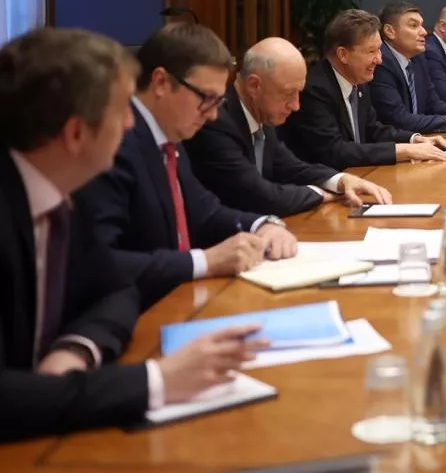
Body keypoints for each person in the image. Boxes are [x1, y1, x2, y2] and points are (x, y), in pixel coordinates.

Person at [0, 27, 266, 441]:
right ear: (76, 134)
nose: (130, 123)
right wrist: (156, 380)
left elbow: (114, 287)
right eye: (121, 110)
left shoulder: (59, 193)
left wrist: (76, 348)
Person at [76, 24, 299, 308]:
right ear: (160, 82)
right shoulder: (115, 144)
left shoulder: (169, 135)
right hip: (139, 312)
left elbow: (205, 211)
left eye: (218, 101)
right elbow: (103, 264)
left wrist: (263, 225)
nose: (213, 115)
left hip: (180, 301)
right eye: (206, 98)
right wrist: (204, 261)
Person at [185, 37, 391, 217]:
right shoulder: (216, 122)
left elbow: (290, 166)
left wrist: (341, 180)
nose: (296, 106)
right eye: (288, 93)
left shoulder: (262, 112)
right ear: (254, 85)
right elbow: (257, 195)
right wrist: (320, 194)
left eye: (298, 93)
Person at [279, 9, 446, 170]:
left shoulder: (358, 80)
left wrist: (416, 139)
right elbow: (334, 151)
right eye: (372, 51)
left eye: (379, 50)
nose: (379, 60)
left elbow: (373, 130)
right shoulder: (316, 89)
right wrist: (405, 151)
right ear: (343, 55)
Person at [369, 1, 446, 134]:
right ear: (390, 31)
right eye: (413, 25)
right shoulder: (381, 62)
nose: (423, 32)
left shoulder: (418, 58)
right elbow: (398, 118)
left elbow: (432, 103)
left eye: (421, 25)